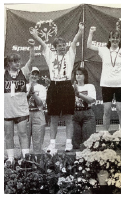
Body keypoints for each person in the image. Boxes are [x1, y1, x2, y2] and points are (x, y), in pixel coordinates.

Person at [30, 22, 84, 152]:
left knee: (68, 117)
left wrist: (80, 31)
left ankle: (68, 143)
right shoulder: (50, 55)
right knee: (53, 117)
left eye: (63, 45)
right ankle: (52, 144)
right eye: (59, 46)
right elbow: (43, 44)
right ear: (54, 47)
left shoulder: (70, 54)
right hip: (54, 86)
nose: (62, 47)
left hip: (66, 86)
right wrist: (36, 36)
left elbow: (75, 40)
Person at [87, 26, 121, 132]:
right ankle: (105, 133)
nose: (115, 40)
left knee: (120, 110)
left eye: (117, 38)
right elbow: (89, 45)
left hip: (120, 84)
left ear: (120, 39)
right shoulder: (103, 50)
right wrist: (91, 32)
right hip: (106, 84)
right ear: (109, 39)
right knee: (106, 110)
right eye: (113, 38)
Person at [4, 39, 35, 164]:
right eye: (14, 61)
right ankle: (11, 158)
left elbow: (32, 58)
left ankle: (25, 157)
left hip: (21, 109)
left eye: (18, 61)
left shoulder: (24, 71)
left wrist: (32, 46)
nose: (17, 63)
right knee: (8, 134)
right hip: (7, 110)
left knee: (23, 133)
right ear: (8, 63)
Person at [72, 66, 96, 149]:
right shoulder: (72, 87)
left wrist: (78, 94)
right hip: (74, 114)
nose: (78, 76)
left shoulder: (90, 86)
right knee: (75, 144)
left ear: (85, 76)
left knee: (88, 143)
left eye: (80, 74)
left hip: (87, 114)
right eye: (76, 74)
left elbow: (91, 100)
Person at [26, 67, 47, 154]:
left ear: (38, 77)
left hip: (38, 113)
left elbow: (40, 103)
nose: (34, 76)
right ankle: (23, 162)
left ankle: (37, 160)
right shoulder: (24, 86)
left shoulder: (42, 88)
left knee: (38, 141)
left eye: (36, 75)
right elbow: (20, 102)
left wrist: (33, 93)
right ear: (29, 75)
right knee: (24, 142)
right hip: (25, 114)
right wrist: (28, 93)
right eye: (32, 74)